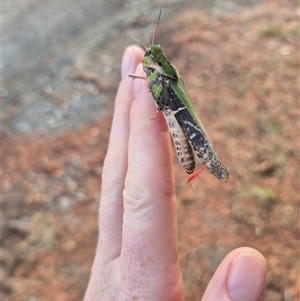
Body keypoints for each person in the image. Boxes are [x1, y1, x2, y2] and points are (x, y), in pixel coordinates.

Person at [84, 46, 266, 301]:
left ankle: (209, 163)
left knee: (193, 150)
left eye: (152, 58)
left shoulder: (164, 78)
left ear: (158, 63)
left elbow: (159, 94)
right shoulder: (160, 75)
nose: (149, 61)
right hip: (171, 112)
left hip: (181, 123)